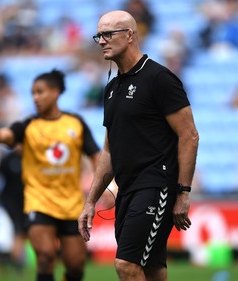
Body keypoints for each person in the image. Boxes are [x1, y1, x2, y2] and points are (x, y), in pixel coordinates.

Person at [78, 10, 199, 281]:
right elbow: (109, 151)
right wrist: (90, 201)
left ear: (130, 35)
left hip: (156, 185)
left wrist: (183, 192)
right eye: (99, 35)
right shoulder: (110, 90)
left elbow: (189, 136)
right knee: (153, 269)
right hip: (127, 190)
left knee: (126, 265)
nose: (101, 41)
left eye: (108, 34)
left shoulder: (159, 79)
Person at [0, 69, 100, 281]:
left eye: (40, 92)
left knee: (76, 267)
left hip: (72, 205)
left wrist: (101, 186)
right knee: (46, 255)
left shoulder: (75, 123)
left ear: (56, 92)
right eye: (33, 93)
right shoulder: (27, 125)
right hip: (39, 202)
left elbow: (96, 156)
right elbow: (2, 136)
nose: (35, 98)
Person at [0, 145, 27, 275]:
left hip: (25, 201)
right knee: (19, 231)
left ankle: (8, 257)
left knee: (20, 232)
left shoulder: (28, 158)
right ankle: (16, 262)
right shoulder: (8, 159)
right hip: (10, 201)